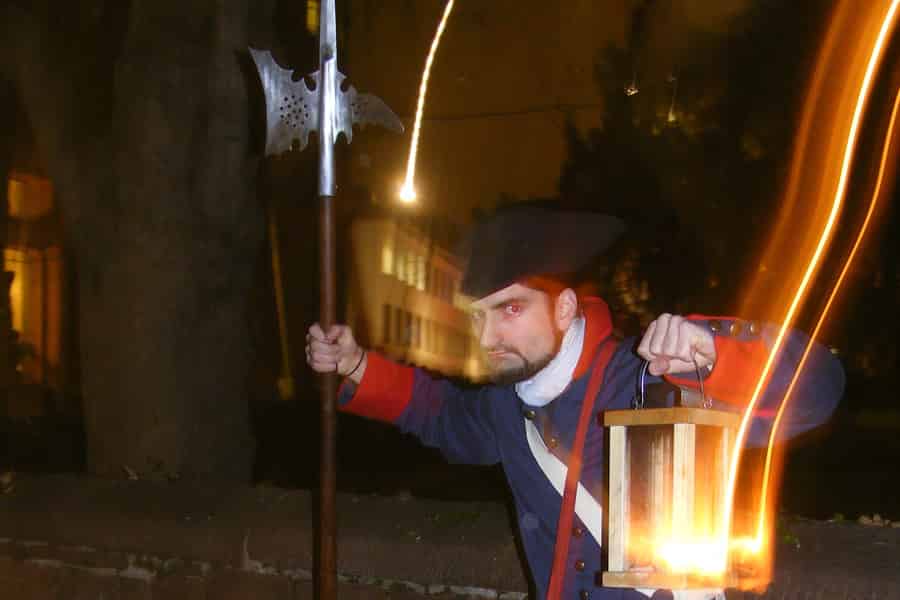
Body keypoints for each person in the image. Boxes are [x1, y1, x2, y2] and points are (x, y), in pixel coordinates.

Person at [305, 207, 844, 600]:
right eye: (478, 315)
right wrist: (356, 367)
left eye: (510, 308)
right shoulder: (504, 405)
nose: (488, 336)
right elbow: (441, 415)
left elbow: (818, 390)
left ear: (564, 308)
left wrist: (715, 355)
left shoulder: (655, 376)